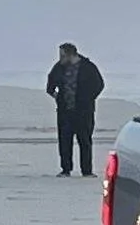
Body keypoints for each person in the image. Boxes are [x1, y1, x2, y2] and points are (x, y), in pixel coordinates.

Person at [45, 42, 105, 177]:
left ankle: (87, 171)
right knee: (65, 140)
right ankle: (66, 169)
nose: (60, 58)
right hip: (65, 110)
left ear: (70, 54)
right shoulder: (59, 67)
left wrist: (88, 99)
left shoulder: (88, 67)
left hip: (84, 111)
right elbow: (50, 83)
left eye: (62, 55)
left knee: (85, 140)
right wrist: (56, 96)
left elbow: (99, 85)